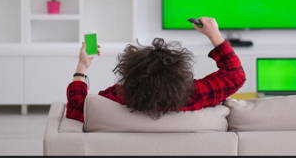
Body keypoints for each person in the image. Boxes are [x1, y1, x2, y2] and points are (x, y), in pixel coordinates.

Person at [66, 17, 246, 122]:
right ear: (180, 74)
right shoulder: (195, 96)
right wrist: (214, 34)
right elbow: (235, 75)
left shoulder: (112, 99)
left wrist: (82, 66)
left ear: (129, 74)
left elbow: (76, 109)